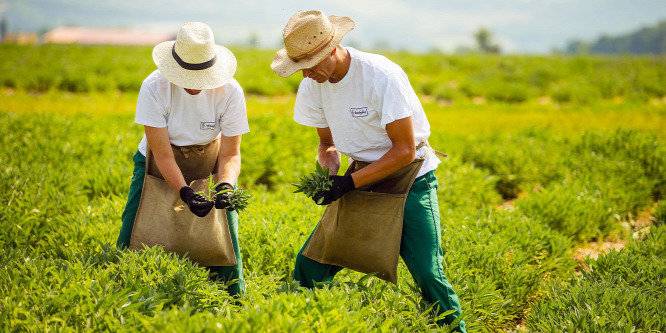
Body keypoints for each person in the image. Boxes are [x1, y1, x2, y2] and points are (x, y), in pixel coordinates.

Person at [271, 10, 466, 331]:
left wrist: (348, 184)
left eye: (310, 66)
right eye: (299, 68)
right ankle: (295, 321)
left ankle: (453, 328)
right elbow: (327, 145)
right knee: (312, 262)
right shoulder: (313, 85)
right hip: (358, 175)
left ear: (331, 50)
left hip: (410, 178)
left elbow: (403, 151)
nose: (305, 75)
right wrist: (330, 177)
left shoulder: (381, 76)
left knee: (428, 270)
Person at [115, 22, 249, 297]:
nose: (194, 87)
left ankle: (234, 299)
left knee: (225, 234)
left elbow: (230, 152)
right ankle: (122, 290)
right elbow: (162, 153)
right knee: (135, 229)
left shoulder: (231, 91)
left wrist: (225, 186)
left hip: (209, 158)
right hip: (155, 160)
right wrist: (185, 192)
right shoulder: (154, 87)